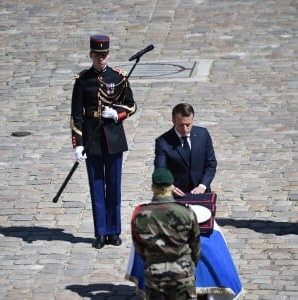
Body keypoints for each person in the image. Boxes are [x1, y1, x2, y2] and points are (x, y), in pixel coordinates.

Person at [126, 103, 244, 299]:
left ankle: (208, 283)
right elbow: (160, 169)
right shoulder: (163, 142)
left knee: (207, 240)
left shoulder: (203, 135)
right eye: (181, 125)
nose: (185, 129)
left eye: (189, 124)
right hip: (175, 201)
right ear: (174, 121)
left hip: (201, 199)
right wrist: (170, 187)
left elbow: (211, 164)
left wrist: (203, 186)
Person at [70, 34, 136, 249]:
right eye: (97, 55)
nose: (101, 59)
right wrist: (77, 143)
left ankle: (114, 231)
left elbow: (132, 105)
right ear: (90, 55)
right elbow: (76, 115)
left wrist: (116, 114)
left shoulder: (118, 77)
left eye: (104, 55)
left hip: (114, 139)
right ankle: (100, 232)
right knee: (97, 186)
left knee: (114, 186)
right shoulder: (83, 80)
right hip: (92, 140)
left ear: (108, 55)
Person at [131, 168, 201, 300]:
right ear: (171, 187)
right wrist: (190, 265)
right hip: (183, 274)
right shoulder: (186, 212)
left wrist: (151, 260)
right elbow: (195, 245)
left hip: (155, 276)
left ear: (153, 188)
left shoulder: (140, 214)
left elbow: (139, 246)